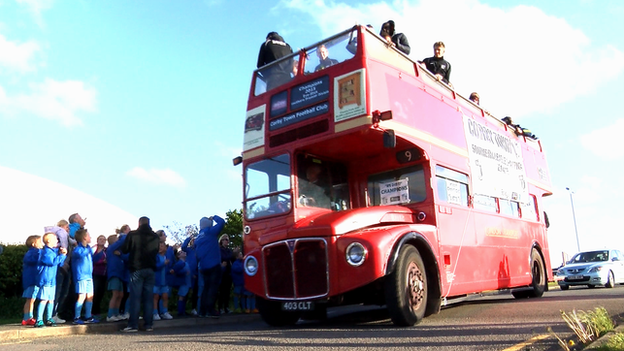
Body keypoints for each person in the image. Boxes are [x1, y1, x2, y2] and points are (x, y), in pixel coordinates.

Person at [119, 216, 160, 333]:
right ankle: (148, 325)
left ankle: (133, 325)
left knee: (135, 297)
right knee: (148, 298)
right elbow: (156, 250)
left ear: (139, 223)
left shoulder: (133, 235)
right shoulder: (155, 236)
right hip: (150, 268)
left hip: (136, 268)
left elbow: (125, 249)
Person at [195, 215, 225, 318]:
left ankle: (202, 310)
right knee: (213, 288)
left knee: (206, 288)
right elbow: (221, 223)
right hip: (214, 264)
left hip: (203, 266)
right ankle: (210, 310)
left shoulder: (198, 237)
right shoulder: (211, 232)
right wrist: (214, 217)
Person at [35, 233, 67, 327]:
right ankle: (39, 319)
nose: (57, 241)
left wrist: (62, 255)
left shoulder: (53, 252)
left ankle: (49, 318)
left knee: (51, 300)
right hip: (46, 279)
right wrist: (62, 255)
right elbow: (52, 262)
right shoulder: (46, 252)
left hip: (52, 280)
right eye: (55, 239)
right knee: (44, 299)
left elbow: (59, 263)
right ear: (48, 241)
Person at [71, 229, 99, 324]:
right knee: (81, 296)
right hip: (81, 276)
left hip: (89, 276)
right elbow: (81, 254)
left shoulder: (88, 249)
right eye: (88, 235)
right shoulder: (78, 249)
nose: (90, 237)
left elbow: (93, 259)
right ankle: (77, 317)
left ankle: (88, 316)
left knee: (90, 296)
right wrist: (90, 250)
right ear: (84, 237)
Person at [22, 235, 43, 326]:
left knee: (32, 299)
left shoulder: (37, 252)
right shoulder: (31, 253)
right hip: (31, 279)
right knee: (30, 299)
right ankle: (26, 317)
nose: (41, 244)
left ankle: (29, 317)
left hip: (34, 279)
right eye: (39, 242)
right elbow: (31, 260)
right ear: (34, 244)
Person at [152, 241, 173, 320]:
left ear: (165, 248)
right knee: (155, 296)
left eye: (162, 246)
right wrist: (163, 263)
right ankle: (155, 313)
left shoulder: (166, 257)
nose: (160, 248)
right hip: (156, 280)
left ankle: (164, 312)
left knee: (165, 296)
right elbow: (155, 266)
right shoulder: (156, 257)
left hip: (164, 281)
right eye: (159, 246)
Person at [181, 234, 199, 316]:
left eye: (195, 240)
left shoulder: (199, 250)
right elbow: (183, 247)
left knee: (195, 292)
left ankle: (193, 308)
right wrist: (189, 238)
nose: (194, 241)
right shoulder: (189, 250)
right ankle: (183, 309)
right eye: (193, 240)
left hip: (196, 273)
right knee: (186, 292)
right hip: (188, 273)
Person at [171, 249, 191, 316]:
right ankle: (180, 312)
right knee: (182, 296)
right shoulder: (180, 263)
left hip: (187, 282)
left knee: (185, 296)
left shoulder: (185, 263)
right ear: (179, 256)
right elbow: (175, 271)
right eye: (181, 253)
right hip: (183, 282)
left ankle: (183, 311)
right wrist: (184, 272)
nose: (184, 253)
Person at [217, 234, 234, 315]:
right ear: (221, 241)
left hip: (229, 272)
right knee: (222, 291)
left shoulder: (229, 250)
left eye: (227, 239)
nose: (227, 241)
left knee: (227, 291)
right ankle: (220, 307)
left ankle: (226, 307)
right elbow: (225, 257)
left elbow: (231, 258)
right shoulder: (219, 250)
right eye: (225, 239)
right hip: (222, 272)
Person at [91, 234, 107, 316]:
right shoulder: (94, 249)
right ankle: (92, 311)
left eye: (104, 239)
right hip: (95, 273)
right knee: (95, 292)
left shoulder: (106, 250)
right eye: (100, 239)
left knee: (101, 293)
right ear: (97, 240)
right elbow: (91, 260)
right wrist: (101, 262)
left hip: (103, 274)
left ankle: (97, 311)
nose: (102, 240)